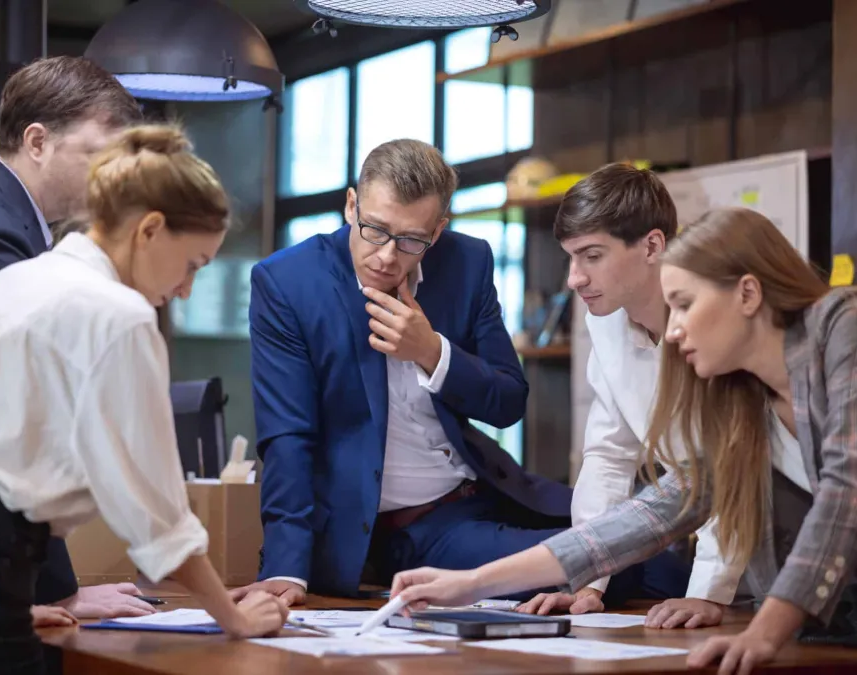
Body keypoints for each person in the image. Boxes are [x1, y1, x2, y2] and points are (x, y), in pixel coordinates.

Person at [391, 206, 856, 675]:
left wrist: (765, 629)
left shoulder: (843, 327)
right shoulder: (741, 395)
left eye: (686, 304)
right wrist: (471, 584)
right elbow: (652, 514)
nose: (673, 331)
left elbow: (846, 490)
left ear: (748, 293)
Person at [236, 139, 683, 606]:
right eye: (374, 230)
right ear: (352, 206)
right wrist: (286, 568)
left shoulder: (465, 262)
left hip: (487, 491)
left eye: (411, 240)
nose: (388, 256)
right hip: (408, 528)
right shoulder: (287, 282)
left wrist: (433, 352)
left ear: (438, 230)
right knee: (626, 569)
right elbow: (288, 435)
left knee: (661, 562)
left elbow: (509, 400)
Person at [0, 124, 289, 675]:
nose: (185, 290)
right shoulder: (117, 312)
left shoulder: (19, 281)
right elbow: (157, 515)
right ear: (150, 230)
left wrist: (7, 603)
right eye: (193, 265)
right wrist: (235, 617)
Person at [0, 55, 159, 623]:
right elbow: (22, 420)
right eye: (98, 155)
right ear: (38, 141)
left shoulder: (0, 217)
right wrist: (54, 592)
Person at [516, 163, 748, 627]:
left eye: (591, 256)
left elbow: (739, 465)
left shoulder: (721, 317)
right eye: (570, 258)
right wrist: (586, 581)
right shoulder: (603, 321)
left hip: (783, 550)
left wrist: (710, 594)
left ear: (653, 245)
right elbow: (608, 456)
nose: (573, 278)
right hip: (705, 538)